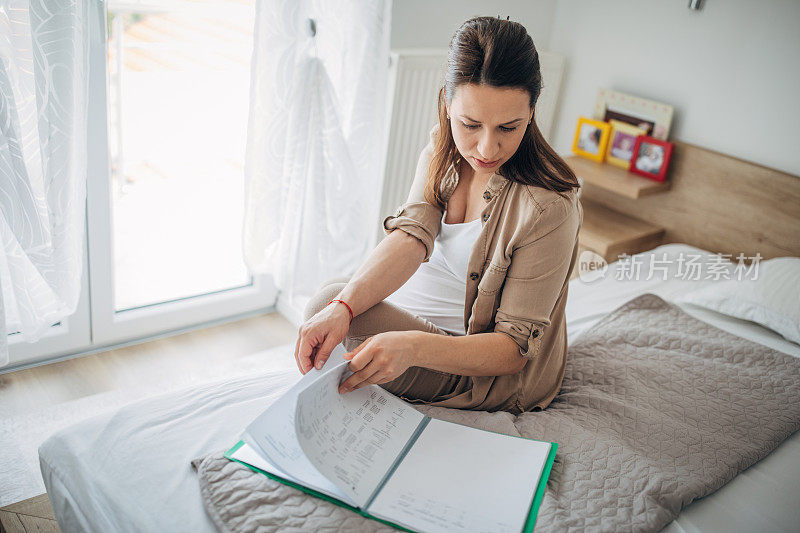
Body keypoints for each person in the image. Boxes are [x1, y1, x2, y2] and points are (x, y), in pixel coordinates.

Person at [294, 15, 583, 414]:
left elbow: (513, 350)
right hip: (416, 323)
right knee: (331, 304)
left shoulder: (548, 207)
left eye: (508, 127)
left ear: (532, 112)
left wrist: (411, 347)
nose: (486, 147)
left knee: (329, 307)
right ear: (447, 103)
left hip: (474, 364)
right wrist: (345, 309)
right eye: (470, 124)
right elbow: (410, 237)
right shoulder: (442, 152)